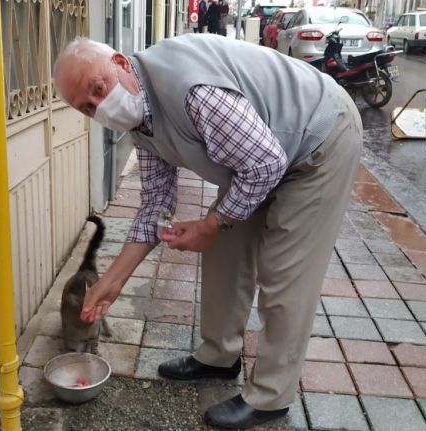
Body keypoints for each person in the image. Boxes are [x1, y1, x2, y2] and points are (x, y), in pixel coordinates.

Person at [52, 34, 363, 430]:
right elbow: (155, 205)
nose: (100, 107)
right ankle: (218, 356)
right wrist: (112, 282)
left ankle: (271, 396)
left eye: (98, 89)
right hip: (260, 152)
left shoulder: (190, 89)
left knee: (285, 274)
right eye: (88, 107)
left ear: (120, 63)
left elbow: (265, 164)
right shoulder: (140, 122)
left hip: (319, 139)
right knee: (224, 251)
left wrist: (212, 224)